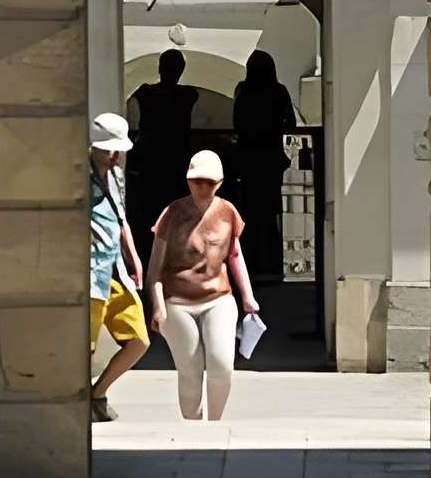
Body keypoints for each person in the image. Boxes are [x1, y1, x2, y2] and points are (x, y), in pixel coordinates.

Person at [147, 148, 257, 421]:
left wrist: (248, 296)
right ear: (188, 181)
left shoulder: (227, 211)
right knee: (190, 368)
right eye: (198, 181)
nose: (204, 188)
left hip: (218, 297)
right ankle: (193, 426)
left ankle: (215, 423)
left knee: (222, 364)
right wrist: (158, 306)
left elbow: (234, 255)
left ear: (220, 183)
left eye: (210, 182)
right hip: (177, 300)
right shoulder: (172, 213)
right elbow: (154, 269)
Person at [86, 114, 150, 421]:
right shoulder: (78, 176)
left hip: (114, 270)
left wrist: (133, 255)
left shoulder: (117, 176)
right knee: (84, 347)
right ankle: (83, 404)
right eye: (108, 149)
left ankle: (97, 393)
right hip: (89, 272)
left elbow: (120, 218)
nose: (114, 155)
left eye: (118, 150)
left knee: (139, 339)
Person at [227, 49, 294, 301]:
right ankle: (274, 266)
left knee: (249, 215)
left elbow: (237, 122)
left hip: (248, 159)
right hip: (271, 158)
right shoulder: (278, 91)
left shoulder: (244, 91)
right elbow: (291, 123)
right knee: (270, 215)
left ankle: (251, 266)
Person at [126, 46, 198, 245]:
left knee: (151, 212)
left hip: (152, 161)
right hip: (175, 160)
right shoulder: (188, 95)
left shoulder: (147, 92)